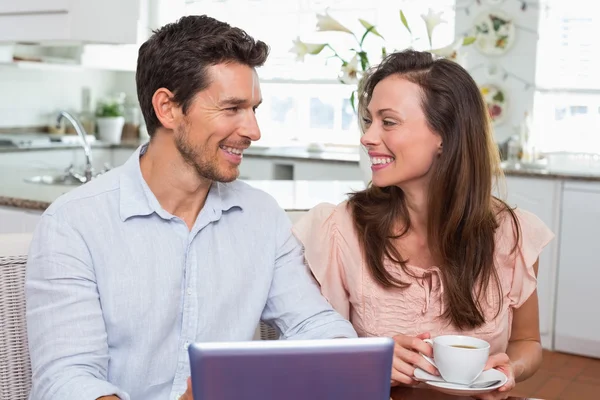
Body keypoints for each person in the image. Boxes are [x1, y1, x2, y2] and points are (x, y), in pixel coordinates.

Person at [25, 15, 356, 400]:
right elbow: (68, 380)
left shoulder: (261, 216)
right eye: (232, 108)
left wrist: (348, 355)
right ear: (167, 108)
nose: (253, 130)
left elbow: (314, 323)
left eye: (254, 109)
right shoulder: (74, 223)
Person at [292, 50, 554, 400]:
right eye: (369, 121)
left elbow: (527, 342)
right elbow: (309, 351)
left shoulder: (512, 234)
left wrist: (510, 369)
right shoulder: (339, 230)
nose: (367, 137)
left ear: (444, 135)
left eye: (388, 122)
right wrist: (370, 361)